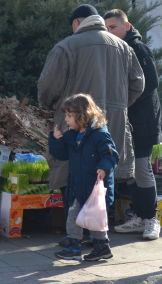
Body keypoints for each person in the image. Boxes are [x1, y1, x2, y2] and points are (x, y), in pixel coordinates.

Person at [38, 4, 144, 246]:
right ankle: (98, 242)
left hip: (76, 134)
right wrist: (118, 106)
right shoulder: (124, 47)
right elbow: (138, 84)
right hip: (112, 129)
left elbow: (47, 89)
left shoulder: (66, 47)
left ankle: (77, 240)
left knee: (74, 186)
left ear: (76, 23)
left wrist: (55, 107)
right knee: (101, 189)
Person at [104, 9, 162, 240]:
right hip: (126, 122)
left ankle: (151, 220)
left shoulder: (137, 48)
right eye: (106, 28)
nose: (110, 31)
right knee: (129, 171)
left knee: (141, 169)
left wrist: (123, 100)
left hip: (144, 122)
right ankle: (139, 217)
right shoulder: (115, 51)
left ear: (126, 26)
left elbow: (151, 83)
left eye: (114, 27)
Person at [50, 94, 119, 261]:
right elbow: (60, 154)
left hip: (94, 186)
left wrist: (103, 168)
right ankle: (84, 246)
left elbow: (111, 155)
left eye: (69, 115)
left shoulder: (99, 134)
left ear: (82, 115)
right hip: (77, 185)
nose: (66, 119)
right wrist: (56, 140)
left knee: (92, 217)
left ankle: (88, 246)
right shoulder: (72, 135)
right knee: (75, 215)